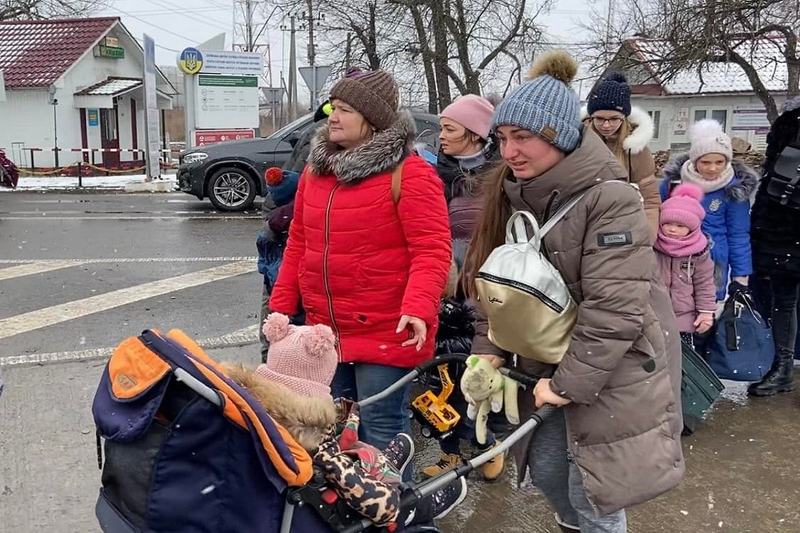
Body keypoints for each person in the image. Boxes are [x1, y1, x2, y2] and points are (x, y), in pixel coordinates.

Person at [462, 50, 684, 533]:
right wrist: (488, 353)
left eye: (522, 137)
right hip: (543, 362)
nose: (509, 151)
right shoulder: (514, 192)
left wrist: (567, 384)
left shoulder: (611, 199)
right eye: (502, 138)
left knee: (594, 495)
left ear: (560, 136)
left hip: (611, 365)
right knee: (547, 475)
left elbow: (615, 310)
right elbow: (499, 285)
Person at [268, 69, 452, 456]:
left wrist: (418, 308)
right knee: (331, 426)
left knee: (381, 427)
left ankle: (393, 511)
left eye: (346, 109)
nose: (333, 116)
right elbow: (298, 242)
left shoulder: (411, 173)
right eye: (334, 106)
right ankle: (349, 509)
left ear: (373, 120)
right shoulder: (316, 174)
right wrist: (281, 309)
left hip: (387, 328)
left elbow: (431, 248)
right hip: (325, 332)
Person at [224, 313, 467, 528]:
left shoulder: (247, 410)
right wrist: (396, 502)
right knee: (395, 507)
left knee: (351, 446)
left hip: (263, 488)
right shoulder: (312, 440)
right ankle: (414, 506)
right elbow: (382, 506)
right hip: (326, 492)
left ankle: (379, 464)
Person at [422, 94, 507, 482]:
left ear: (474, 134)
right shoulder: (437, 173)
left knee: (483, 368)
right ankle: (451, 452)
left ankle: (491, 445)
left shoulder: (502, 173)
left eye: (449, 128)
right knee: (442, 372)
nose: (441, 136)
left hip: (487, 284)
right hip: (447, 281)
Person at [660, 120, 758, 305]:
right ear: (695, 160)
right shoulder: (673, 183)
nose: (713, 168)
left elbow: (738, 235)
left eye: (719, 162)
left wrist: (740, 276)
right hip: (673, 258)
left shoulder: (734, 190)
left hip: (714, 260)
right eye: (705, 162)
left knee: (706, 313)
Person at [748, 96, 800, 397]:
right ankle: (781, 367)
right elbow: (774, 168)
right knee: (783, 297)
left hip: (783, 222)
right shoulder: (789, 119)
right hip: (781, 223)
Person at [583, 72, 660, 239]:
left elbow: (650, 199)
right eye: (600, 118)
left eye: (614, 119)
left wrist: (648, 235)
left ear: (624, 118)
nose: (606, 125)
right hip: (585, 223)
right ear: (590, 117)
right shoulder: (579, 142)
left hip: (623, 225)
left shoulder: (635, 146)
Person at [654, 184, 717, 348]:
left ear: (692, 228)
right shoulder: (652, 245)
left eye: (680, 226)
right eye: (668, 224)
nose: (672, 229)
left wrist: (706, 311)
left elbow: (705, 283)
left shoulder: (698, 251)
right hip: (653, 315)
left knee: (681, 359)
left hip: (683, 318)